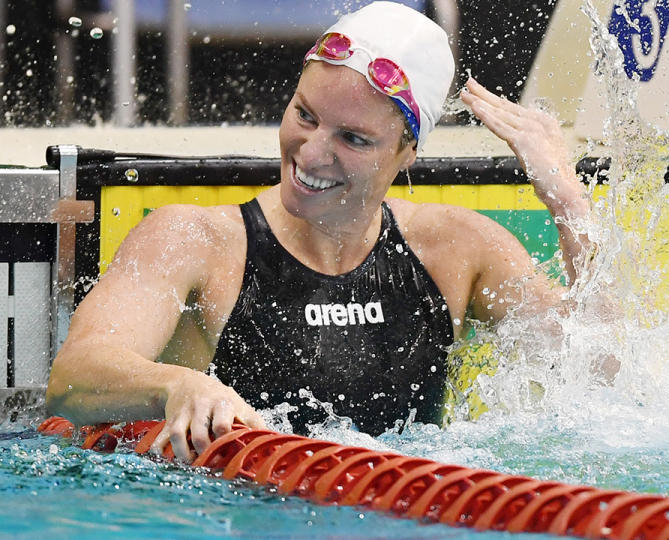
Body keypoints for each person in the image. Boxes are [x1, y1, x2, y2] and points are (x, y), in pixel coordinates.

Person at [45, 1, 593, 461]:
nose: (310, 153)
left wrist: (569, 202)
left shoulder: (458, 247)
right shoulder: (196, 240)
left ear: (406, 154)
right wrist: (177, 384)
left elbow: (601, 372)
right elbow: (72, 379)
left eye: (353, 139)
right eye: (305, 115)